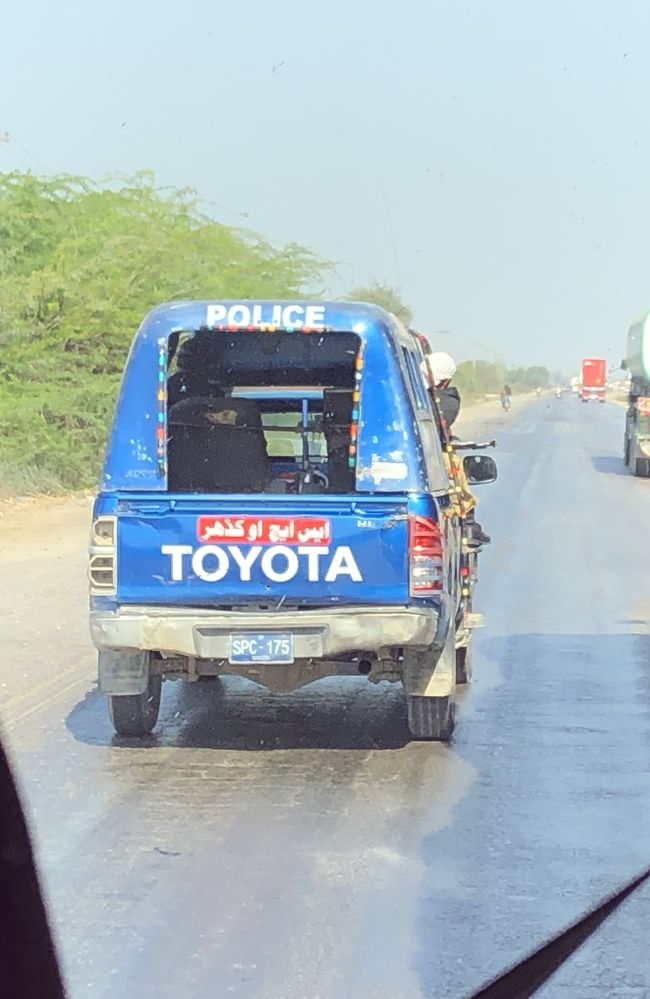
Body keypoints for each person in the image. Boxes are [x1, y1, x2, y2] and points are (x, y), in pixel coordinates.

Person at [425, 351, 491, 547]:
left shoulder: (435, 398)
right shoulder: (442, 400)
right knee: (452, 466)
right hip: (428, 457)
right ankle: (467, 522)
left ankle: (468, 521)